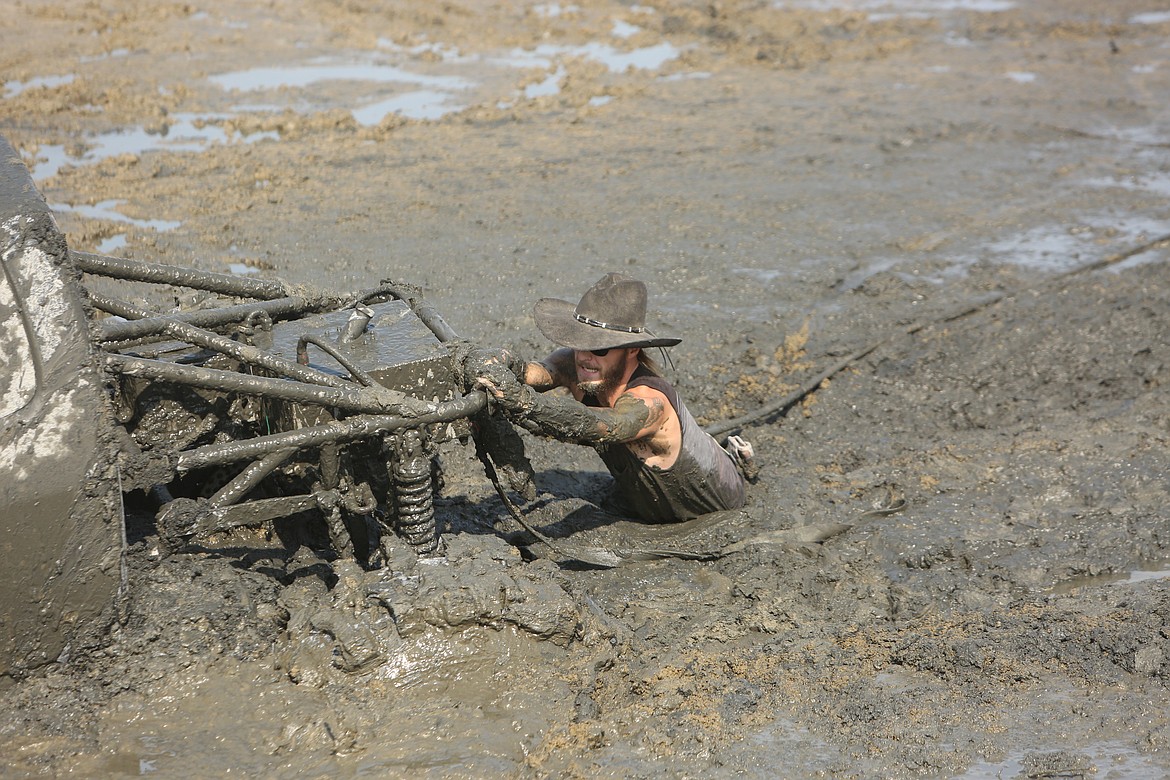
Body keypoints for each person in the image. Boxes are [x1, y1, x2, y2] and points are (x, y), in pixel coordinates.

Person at [467, 272, 752, 522]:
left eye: (600, 349)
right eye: (579, 344)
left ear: (631, 350)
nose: (586, 358)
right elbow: (535, 372)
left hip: (714, 508)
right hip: (645, 502)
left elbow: (605, 424)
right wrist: (503, 362)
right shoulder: (575, 364)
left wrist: (524, 403)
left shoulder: (650, 401)